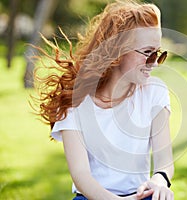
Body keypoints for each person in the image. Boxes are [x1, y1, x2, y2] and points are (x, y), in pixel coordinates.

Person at [33, 0, 174, 199]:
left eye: (159, 54)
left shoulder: (155, 92)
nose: (154, 64)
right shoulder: (76, 100)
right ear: (117, 51)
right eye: (148, 53)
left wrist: (159, 181)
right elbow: (81, 176)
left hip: (141, 195)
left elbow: (165, 162)